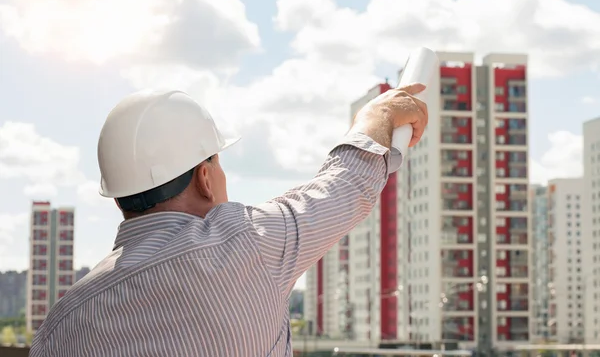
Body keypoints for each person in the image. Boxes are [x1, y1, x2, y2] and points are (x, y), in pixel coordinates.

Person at [29, 84, 428, 356]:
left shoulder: (62, 324)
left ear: (119, 201)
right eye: (218, 164)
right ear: (205, 177)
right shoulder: (249, 244)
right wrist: (382, 112)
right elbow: (346, 185)